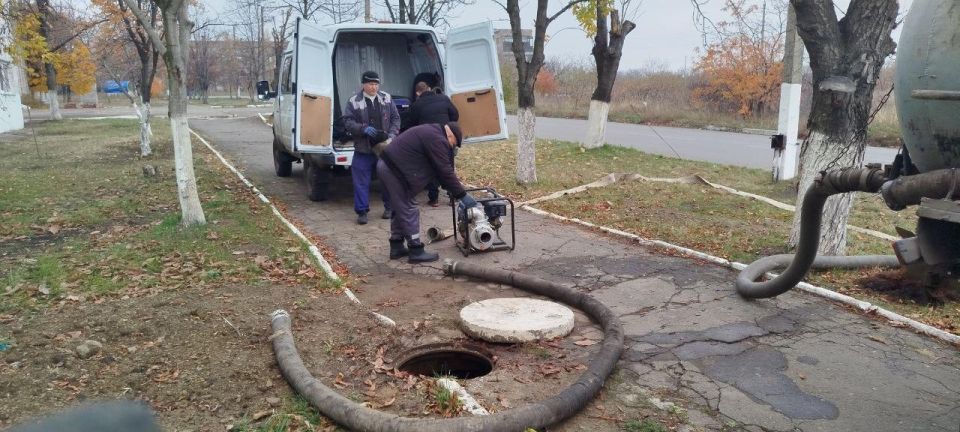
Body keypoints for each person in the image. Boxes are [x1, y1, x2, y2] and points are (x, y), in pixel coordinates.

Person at [376, 122, 477, 263]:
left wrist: (453, 190)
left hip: (389, 167)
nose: (452, 148)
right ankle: (416, 250)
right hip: (394, 171)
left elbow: (440, 173)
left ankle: (397, 246)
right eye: (454, 144)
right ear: (450, 135)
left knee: (400, 209)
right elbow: (445, 170)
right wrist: (462, 195)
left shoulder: (433, 133)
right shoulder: (438, 139)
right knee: (409, 209)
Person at [344, 71, 401, 225]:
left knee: (387, 178)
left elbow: (396, 118)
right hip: (363, 148)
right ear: (363, 84)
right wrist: (363, 129)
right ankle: (362, 212)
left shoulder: (386, 98)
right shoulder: (354, 101)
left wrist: (392, 135)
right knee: (361, 181)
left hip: (384, 148)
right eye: (370, 84)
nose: (373, 87)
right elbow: (348, 122)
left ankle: (389, 208)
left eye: (376, 84)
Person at [407, 81, 459, 207]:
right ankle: (453, 197)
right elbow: (455, 115)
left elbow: (411, 124)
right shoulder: (444, 98)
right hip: (446, 138)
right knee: (448, 168)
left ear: (418, 93)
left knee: (430, 169)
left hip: (427, 142)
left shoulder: (416, 105)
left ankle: (434, 199)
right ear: (429, 89)